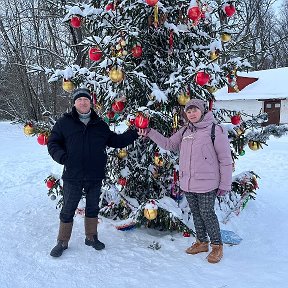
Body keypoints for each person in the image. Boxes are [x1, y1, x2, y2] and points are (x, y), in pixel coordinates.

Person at [47, 88, 139, 257]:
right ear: (74, 103)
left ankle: (91, 237)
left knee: (92, 208)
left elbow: (116, 141)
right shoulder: (64, 123)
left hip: (95, 175)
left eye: (86, 100)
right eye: (79, 99)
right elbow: (53, 142)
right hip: (73, 175)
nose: (83, 102)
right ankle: (62, 241)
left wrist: (134, 133)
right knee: (68, 209)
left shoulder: (99, 124)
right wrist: (63, 157)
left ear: (91, 103)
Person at [138, 99, 232, 263]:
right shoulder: (184, 131)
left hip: (207, 182)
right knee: (196, 213)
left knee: (207, 214)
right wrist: (150, 132)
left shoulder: (215, 130)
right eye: (188, 112)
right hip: (188, 182)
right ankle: (202, 242)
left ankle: (217, 246)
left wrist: (225, 184)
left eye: (194, 110)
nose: (192, 114)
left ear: (202, 111)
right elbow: (168, 144)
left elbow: (225, 159)